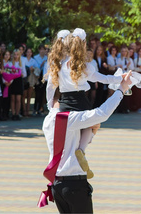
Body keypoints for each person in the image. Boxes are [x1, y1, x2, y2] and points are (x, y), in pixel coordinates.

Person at [42, 71, 132, 213]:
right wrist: (121, 89)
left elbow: (69, 142)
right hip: (74, 184)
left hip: (57, 184)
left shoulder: (47, 120)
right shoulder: (69, 119)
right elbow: (102, 113)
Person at [47, 28, 124, 178]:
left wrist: (50, 105)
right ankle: (81, 151)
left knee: (71, 133)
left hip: (64, 104)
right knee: (92, 124)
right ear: (83, 44)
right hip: (81, 102)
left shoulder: (58, 65)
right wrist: (120, 79)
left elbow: (50, 88)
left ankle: (70, 161)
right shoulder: (84, 66)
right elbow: (104, 79)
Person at [9, 49, 27, 120]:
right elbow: (8, 71)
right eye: (15, 55)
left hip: (19, 80)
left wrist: (21, 73)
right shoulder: (11, 63)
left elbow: (25, 74)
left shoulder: (21, 63)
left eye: (17, 55)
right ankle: (13, 114)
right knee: (13, 98)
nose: (16, 56)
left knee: (18, 99)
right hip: (13, 81)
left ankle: (17, 113)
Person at [22, 48, 39, 117]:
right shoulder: (23, 59)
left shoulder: (33, 61)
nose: (29, 53)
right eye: (28, 52)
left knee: (29, 96)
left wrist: (33, 69)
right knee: (24, 96)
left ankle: (28, 110)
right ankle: (23, 111)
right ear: (26, 53)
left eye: (30, 52)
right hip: (25, 79)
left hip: (31, 79)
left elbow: (38, 69)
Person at [33, 44, 48, 116]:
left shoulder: (47, 57)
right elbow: (36, 67)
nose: (42, 51)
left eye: (44, 49)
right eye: (41, 49)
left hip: (44, 76)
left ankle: (40, 108)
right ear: (39, 50)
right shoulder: (36, 57)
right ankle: (35, 108)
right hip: (38, 76)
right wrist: (42, 64)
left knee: (43, 94)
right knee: (37, 93)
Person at [132, 47, 141, 113]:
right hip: (137, 75)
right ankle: (137, 107)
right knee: (138, 91)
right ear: (138, 52)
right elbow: (134, 69)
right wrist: (140, 66)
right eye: (140, 51)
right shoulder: (135, 60)